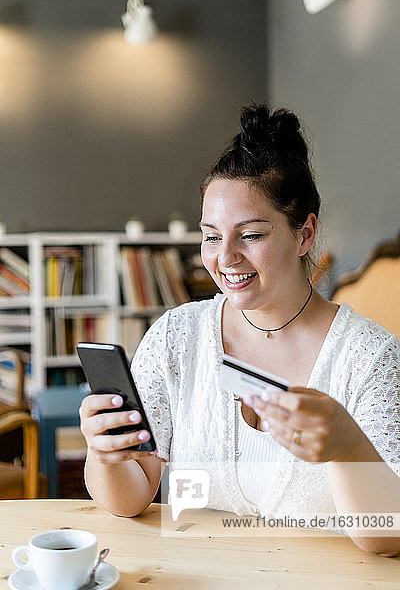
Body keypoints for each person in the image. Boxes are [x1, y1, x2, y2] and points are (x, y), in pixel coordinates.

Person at [79, 104, 400, 556]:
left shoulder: (370, 358)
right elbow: (131, 500)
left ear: (304, 234)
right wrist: (103, 452)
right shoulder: (176, 337)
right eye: (212, 236)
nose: (225, 258)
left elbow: (387, 535)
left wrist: (348, 448)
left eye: (250, 235)